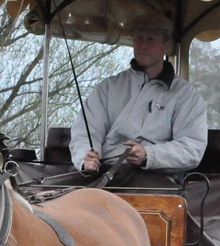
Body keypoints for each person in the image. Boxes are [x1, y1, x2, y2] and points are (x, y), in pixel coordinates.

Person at [70, 13, 208, 174]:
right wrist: (85, 159)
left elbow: (192, 148)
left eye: (150, 39)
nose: (143, 45)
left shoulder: (185, 95)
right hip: (105, 176)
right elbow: (86, 132)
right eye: (139, 38)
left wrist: (148, 155)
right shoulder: (108, 87)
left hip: (157, 181)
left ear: (166, 45)